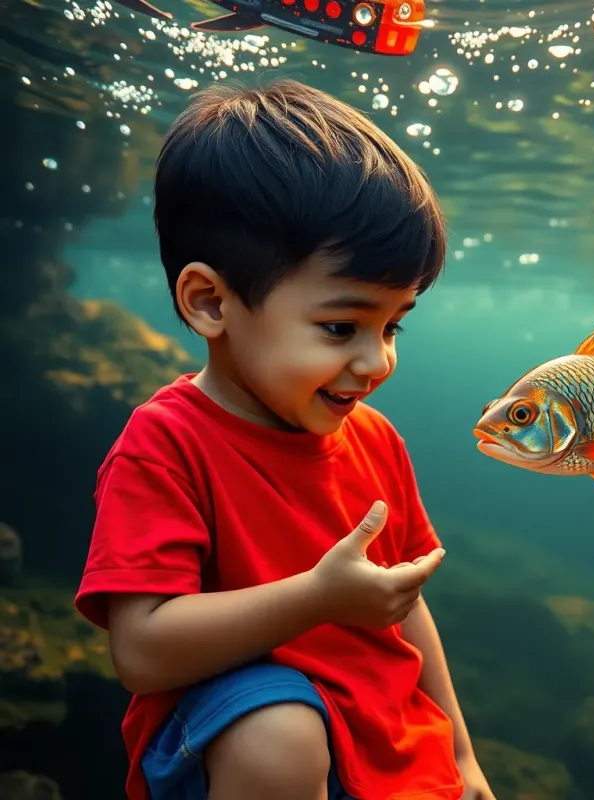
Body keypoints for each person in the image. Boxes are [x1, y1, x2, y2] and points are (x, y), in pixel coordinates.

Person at [74, 78, 495, 800]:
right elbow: (141, 652)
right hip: (233, 751)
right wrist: (316, 598)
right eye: (341, 327)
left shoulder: (375, 441)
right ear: (211, 302)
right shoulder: (165, 444)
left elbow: (402, 606)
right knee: (278, 730)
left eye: (393, 326)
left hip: (381, 748)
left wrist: (462, 756)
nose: (376, 362)